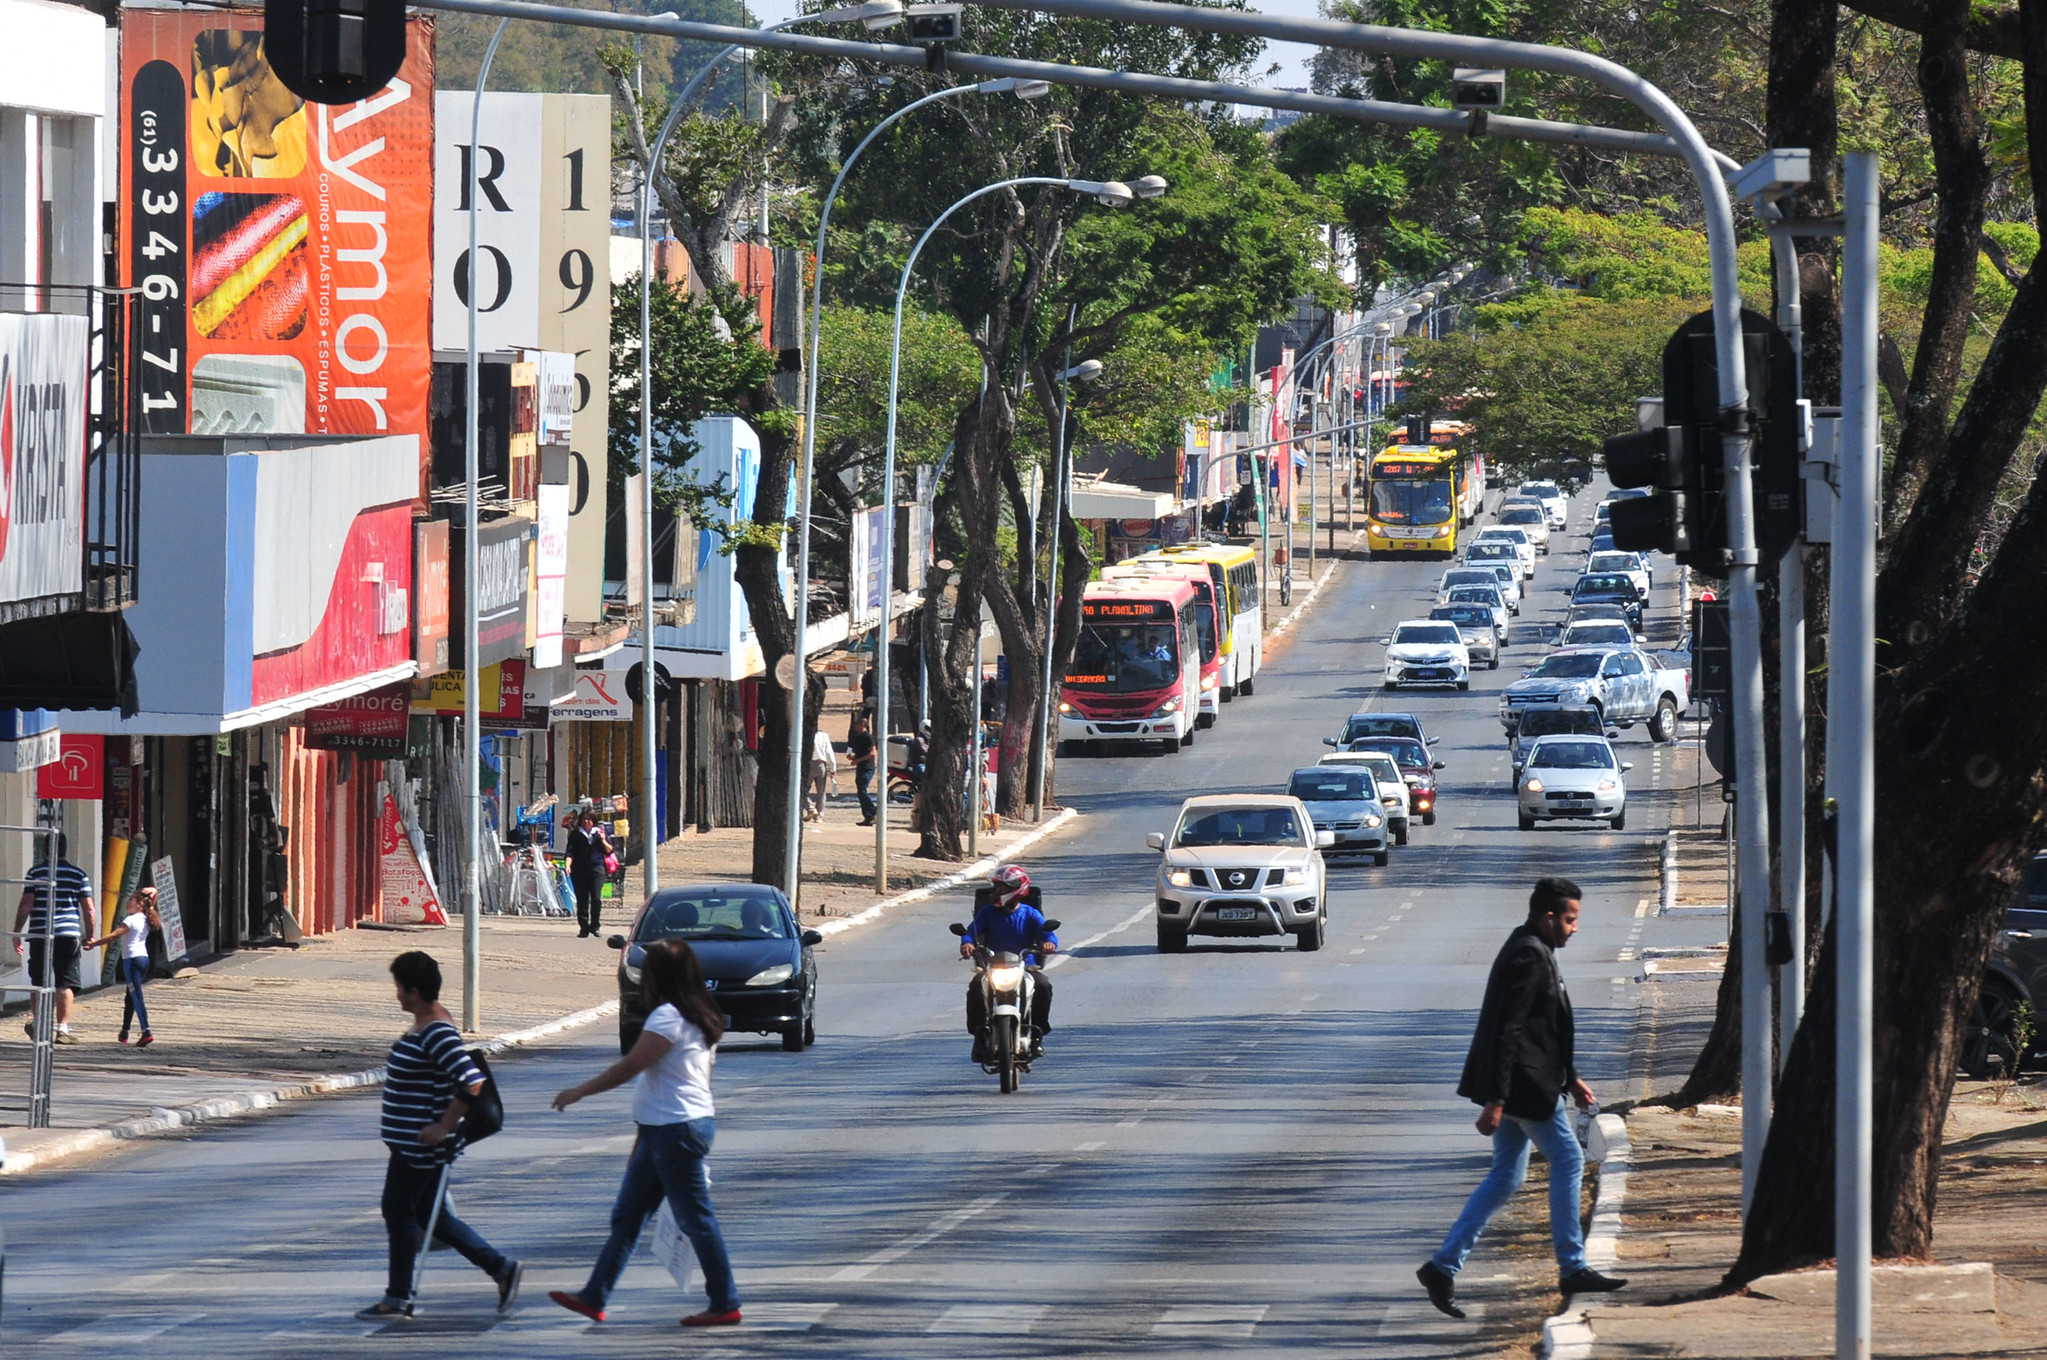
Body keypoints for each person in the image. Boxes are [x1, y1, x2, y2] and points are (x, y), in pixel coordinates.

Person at [1417, 877, 1626, 1319]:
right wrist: (1496, 1099)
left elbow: (1543, 1028)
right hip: (1524, 1089)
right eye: (1570, 920)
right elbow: (1507, 1030)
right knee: (1568, 1161)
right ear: (1548, 917)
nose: (1575, 929)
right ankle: (1572, 1267)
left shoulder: (1531, 947)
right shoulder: (1529, 955)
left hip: (1527, 1084)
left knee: (1506, 1177)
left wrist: (1570, 1077)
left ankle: (1442, 1267)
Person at [549, 940, 742, 1329]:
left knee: (696, 1219)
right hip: (668, 1128)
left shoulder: (668, 1018)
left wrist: (578, 1091)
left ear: (657, 976)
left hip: (676, 1130)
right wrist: (642, 1140)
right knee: (628, 1215)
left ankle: (725, 1301)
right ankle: (595, 1295)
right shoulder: (699, 1013)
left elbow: (630, 1068)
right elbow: (666, 1084)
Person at [357, 952, 523, 1320]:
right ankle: (501, 1268)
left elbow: (471, 1080)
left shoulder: (436, 1031)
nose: (395, 995)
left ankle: (398, 1296)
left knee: (397, 1211)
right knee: (435, 1217)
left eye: (399, 988)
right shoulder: (427, 1023)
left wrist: (444, 1126)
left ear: (414, 992)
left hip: (421, 1147)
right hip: (412, 1143)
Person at [959, 865, 1057, 1059]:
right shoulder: (987, 913)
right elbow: (971, 932)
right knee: (976, 985)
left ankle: (1037, 1035)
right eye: (996, 888)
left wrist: (1049, 943)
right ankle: (979, 1037)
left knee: (1043, 985)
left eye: (1002, 888)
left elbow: (1049, 934)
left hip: (1025, 966)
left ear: (1016, 889)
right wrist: (968, 943)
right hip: (992, 967)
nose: (997, 892)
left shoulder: (1030, 914)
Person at [13, 835, 94, 1044]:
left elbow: (26, 905)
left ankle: (40, 1024)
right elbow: (89, 909)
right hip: (68, 934)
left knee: (38, 981)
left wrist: (17, 932)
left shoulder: (35, 873)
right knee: (65, 983)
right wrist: (90, 934)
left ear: (45, 850)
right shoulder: (78, 875)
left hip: (41, 933)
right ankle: (62, 1029)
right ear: (66, 850)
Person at [83, 885, 161, 1046]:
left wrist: (93, 944)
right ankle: (125, 1030)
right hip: (144, 960)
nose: (128, 902)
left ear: (139, 903)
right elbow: (153, 895)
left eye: (132, 899)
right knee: (130, 996)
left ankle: (146, 1030)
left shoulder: (131, 920)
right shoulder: (146, 917)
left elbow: (113, 936)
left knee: (136, 996)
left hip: (131, 961)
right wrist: (151, 891)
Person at [565, 812, 614, 938]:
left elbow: (609, 850)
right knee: (582, 900)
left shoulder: (599, 833)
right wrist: (568, 865)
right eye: (584, 819)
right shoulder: (576, 835)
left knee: (596, 898)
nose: (586, 821)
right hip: (579, 871)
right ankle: (584, 928)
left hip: (597, 869)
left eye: (589, 819)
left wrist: (603, 840)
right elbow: (570, 852)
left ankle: (595, 926)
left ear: (593, 821)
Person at [848, 713, 878, 827]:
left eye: (857, 724)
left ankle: (873, 811)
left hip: (867, 768)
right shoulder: (858, 737)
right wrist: (853, 758)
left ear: (863, 724)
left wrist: (858, 760)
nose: (855, 726)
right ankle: (868, 816)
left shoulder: (868, 737)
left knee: (862, 790)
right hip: (860, 767)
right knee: (860, 791)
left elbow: (872, 753)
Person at [805, 725, 838, 822]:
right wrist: (833, 768)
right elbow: (829, 753)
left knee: (803, 789)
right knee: (821, 792)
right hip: (821, 765)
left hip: (809, 764)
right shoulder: (824, 736)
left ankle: (810, 808)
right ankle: (819, 815)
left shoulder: (806, 735)